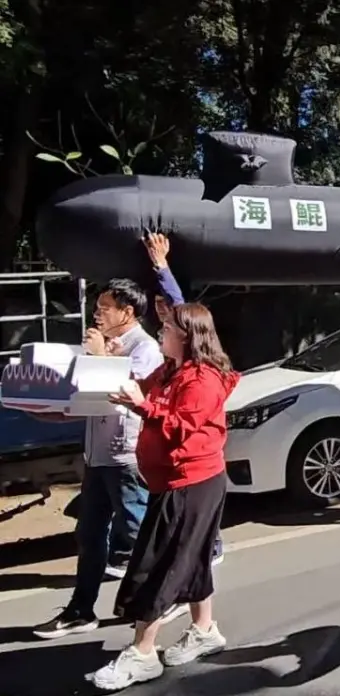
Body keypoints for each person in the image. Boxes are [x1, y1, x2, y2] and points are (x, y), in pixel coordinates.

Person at [89, 303, 239, 690]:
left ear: (187, 337)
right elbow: (143, 386)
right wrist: (113, 369)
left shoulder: (203, 378)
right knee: (193, 558)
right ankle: (204, 630)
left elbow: (180, 426)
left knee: (158, 565)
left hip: (191, 482)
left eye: (167, 328)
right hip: (173, 481)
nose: (161, 333)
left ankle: (142, 653)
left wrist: (140, 407)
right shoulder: (172, 369)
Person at [32, 279, 163, 640]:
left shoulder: (145, 348)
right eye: (97, 306)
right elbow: (87, 396)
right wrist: (53, 410)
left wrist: (101, 357)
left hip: (125, 455)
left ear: (127, 312)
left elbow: (126, 393)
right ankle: (80, 610)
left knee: (137, 533)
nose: (97, 313)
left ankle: (163, 598)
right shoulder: (104, 344)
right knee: (90, 535)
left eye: (105, 307)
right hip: (97, 455)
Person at [144, 231, 224, 565]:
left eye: (166, 309)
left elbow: (179, 425)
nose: (163, 313)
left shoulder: (199, 368)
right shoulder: (169, 359)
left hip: (191, 471)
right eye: (159, 309)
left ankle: (209, 546)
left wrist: (161, 265)